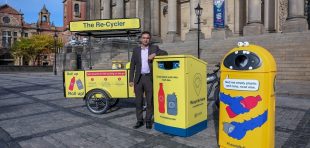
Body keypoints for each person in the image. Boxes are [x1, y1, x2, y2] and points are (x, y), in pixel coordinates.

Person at [129, 31, 167, 129]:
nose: (145, 39)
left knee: (150, 100)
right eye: (144, 38)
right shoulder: (136, 50)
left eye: (147, 38)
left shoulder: (154, 48)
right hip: (138, 78)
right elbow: (132, 65)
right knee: (138, 101)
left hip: (149, 78)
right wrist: (131, 79)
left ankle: (148, 120)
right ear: (141, 39)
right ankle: (139, 120)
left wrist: (155, 54)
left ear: (149, 40)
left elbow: (165, 53)